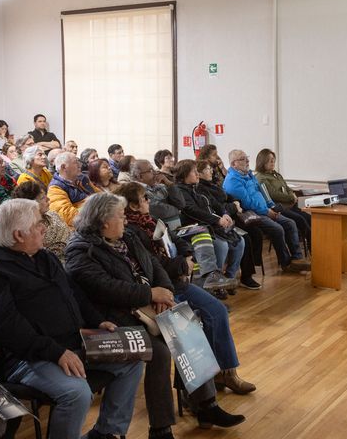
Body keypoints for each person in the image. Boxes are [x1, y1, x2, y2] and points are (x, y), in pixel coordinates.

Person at [65, 194, 245, 438]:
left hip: (147, 308)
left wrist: (166, 293)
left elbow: (154, 265)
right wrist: (150, 294)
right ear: (103, 221)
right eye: (120, 217)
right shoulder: (81, 251)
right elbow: (107, 288)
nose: (125, 222)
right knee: (159, 351)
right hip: (112, 319)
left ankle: (206, 406)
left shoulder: (126, 237)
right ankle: (160, 429)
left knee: (186, 327)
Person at [0, 199, 144, 439]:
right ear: (19, 235)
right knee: (76, 393)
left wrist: (96, 321)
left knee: (132, 360)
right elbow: (10, 332)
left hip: (73, 343)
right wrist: (57, 353)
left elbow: (74, 294)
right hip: (28, 358)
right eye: (39, 223)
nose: (45, 227)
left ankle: (107, 433)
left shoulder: (44, 257)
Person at [116, 182, 256, 395]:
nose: (149, 201)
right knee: (189, 323)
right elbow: (152, 266)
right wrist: (183, 265)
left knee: (217, 311)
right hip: (159, 291)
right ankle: (197, 394)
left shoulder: (150, 221)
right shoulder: (130, 232)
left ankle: (227, 372)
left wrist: (187, 255)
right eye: (145, 198)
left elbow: (175, 240)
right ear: (133, 206)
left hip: (177, 280)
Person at [223, 150, 309, 273]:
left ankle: (297, 258)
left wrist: (272, 206)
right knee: (277, 229)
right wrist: (266, 211)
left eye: (247, 157)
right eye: (242, 159)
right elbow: (247, 203)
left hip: (265, 209)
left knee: (290, 223)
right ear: (233, 164)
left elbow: (263, 193)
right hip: (251, 213)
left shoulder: (249, 175)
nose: (247, 161)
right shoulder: (232, 181)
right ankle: (286, 263)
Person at [172, 160, 240, 293]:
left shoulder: (196, 188)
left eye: (198, 172)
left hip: (205, 227)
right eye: (194, 172)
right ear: (184, 175)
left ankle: (219, 281)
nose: (198, 175)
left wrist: (224, 214)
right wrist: (217, 220)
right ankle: (212, 282)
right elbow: (192, 210)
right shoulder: (179, 191)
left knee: (240, 241)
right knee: (221, 245)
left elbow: (214, 204)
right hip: (188, 229)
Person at [196, 161, 261, 290]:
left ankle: (231, 276)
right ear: (200, 173)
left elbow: (226, 197)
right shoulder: (201, 189)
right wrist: (233, 207)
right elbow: (215, 207)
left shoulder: (213, 184)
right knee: (241, 239)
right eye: (208, 169)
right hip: (218, 221)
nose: (212, 171)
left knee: (248, 235)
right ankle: (227, 280)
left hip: (227, 216)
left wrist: (235, 203)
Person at [254, 148, 311, 253]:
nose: (272, 162)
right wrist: (290, 198)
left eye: (273, 160)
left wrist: (292, 194)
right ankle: (310, 249)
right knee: (300, 220)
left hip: (290, 205)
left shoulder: (276, 174)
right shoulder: (261, 177)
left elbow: (286, 187)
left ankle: (315, 246)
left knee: (309, 218)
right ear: (262, 161)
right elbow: (273, 194)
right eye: (269, 160)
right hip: (279, 207)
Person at [12, 180, 70, 261]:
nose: (48, 199)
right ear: (31, 205)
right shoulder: (28, 230)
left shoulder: (52, 214)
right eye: (43, 198)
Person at [48, 151, 94, 228]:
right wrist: (96, 212)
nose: (80, 165)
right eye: (76, 162)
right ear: (63, 167)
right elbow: (68, 216)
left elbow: (100, 194)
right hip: (84, 227)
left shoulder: (82, 179)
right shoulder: (55, 188)